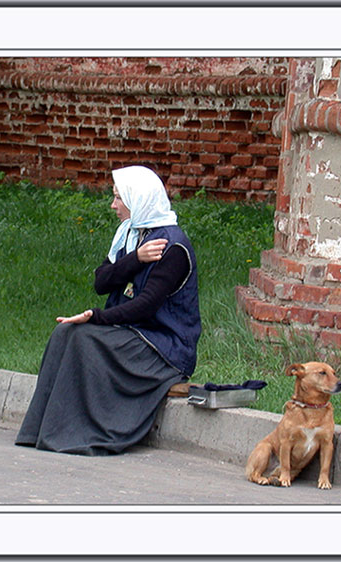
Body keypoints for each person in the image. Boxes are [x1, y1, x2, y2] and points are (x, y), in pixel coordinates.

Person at [15, 165, 201, 455]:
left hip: (163, 347)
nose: (113, 205)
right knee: (65, 332)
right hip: (132, 332)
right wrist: (136, 259)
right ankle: (38, 431)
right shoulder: (131, 234)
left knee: (84, 339)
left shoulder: (172, 247)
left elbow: (145, 307)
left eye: (118, 198)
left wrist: (96, 318)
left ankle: (72, 433)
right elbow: (101, 282)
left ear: (137, 200)